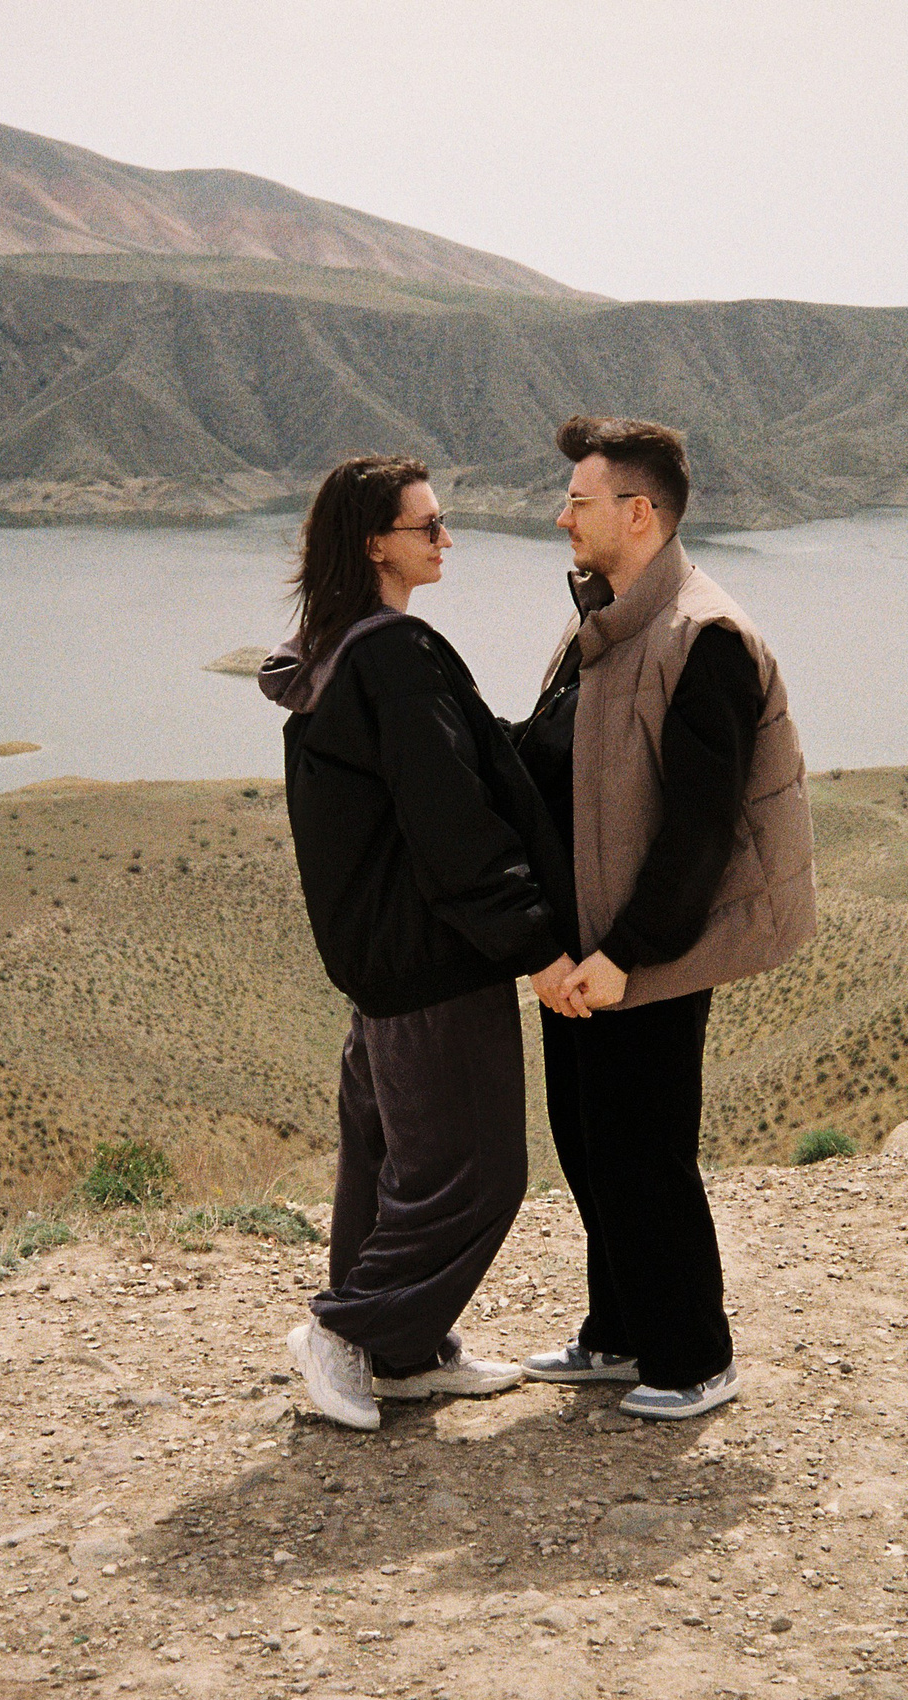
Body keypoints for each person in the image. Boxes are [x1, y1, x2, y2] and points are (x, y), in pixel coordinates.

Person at [259, 454, 582, 1431]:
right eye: (428, 526)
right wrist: (536, 946)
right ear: (374, 542)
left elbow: (452, 769)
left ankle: (402, 1354)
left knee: (394, 1166)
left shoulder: (333, 649)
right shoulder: (391, 654)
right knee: (478, 1172)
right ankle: (346, 1335)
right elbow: (451, 821)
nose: (446, 541)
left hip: (382, 964)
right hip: (434, 960)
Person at [513, 416, 815, 1421]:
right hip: (584, 949)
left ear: (638, 514)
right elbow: (551, 752)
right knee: (590, 1144)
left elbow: (698, 834)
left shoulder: (703, 637)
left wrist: (624, 957)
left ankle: (692, 1357)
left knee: (645, 1155)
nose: (561, 517)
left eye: (579, 501)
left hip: (644, 954)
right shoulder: (604, 619)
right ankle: (619, 1333)